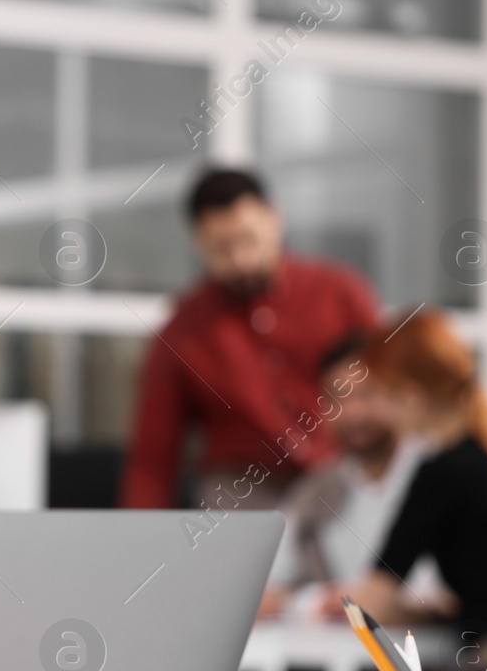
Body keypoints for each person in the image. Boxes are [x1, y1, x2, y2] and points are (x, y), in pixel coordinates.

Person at [119, 168, 379, 511]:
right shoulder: (184, 328)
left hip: (337, 475)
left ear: (275, 220)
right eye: (222, 248)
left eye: (249, 240)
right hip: (239, 489)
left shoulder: (341, 294)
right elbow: (154, 453)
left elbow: (388, 388)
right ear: (197, 242)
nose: (240, 260)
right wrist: (139, 543)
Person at [345, 309, 487, 636]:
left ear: (411, 396)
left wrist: (303, 603)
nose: (375, 411)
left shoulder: (443, 472)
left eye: (377, 394)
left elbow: (370, 606)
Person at [258, 333, 448, 621]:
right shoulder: (314, 493)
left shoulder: (443, 473)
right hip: (340, 657)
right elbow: (260, 594)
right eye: (337, 399)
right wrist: (317, 602)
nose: (353, 413)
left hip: (438, 658)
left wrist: (364, 603)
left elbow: (451, 597)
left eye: (367, 394)